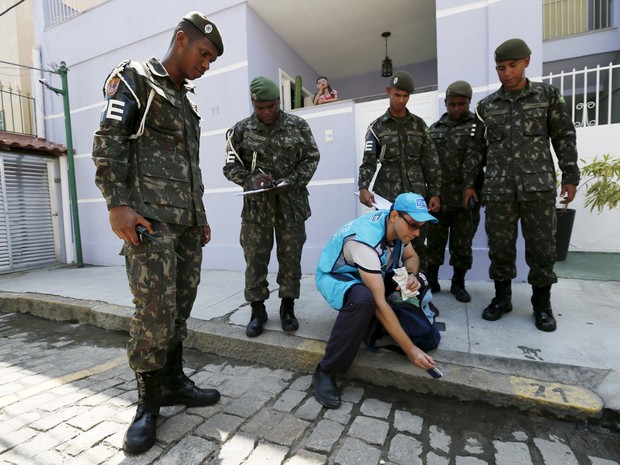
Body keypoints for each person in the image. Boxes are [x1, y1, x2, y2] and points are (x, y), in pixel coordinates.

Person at [91, 12, 224, 455]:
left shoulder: (187, 102)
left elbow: (192, 168)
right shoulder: (135, 80)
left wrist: (200, 215)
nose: (207, 64)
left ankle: (172, 382)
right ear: (181, 40)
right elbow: (109, 140)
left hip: (185, 223)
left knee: (179, 306)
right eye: (204, 54)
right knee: (153, 312)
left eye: (212, 59)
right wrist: (117, 204)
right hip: (149, 222)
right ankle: (148, 406)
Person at [462, 38, 580, 332]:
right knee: (500, 247)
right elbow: (477, 150)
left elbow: (563, 137)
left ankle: (542, 304)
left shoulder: (547, 95)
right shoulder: (487, 106)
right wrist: (470, 184)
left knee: (542, 248)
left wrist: (570, 175)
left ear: (526, 61)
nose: (506, 73)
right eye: (501, 68)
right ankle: (502, 298)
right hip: (499, 191)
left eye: (512, 66)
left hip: (537, 189)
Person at [313, 192, 439, 409]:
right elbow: (379, 302)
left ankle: (374, 328)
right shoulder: (365, 242)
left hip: (373, 273)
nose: (417, 232)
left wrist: (411, 276)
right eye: (414, 225)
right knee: (365, 300)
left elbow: (411, 258)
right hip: (337, 278)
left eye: (421, 227)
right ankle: (326, 369)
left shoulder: (399, 228)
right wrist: (410, 351)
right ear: (394, 216)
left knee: (416, 290)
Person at [223, 76, 320, 338]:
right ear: (253, 103)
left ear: (279, 102)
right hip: (257, 210)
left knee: (290, 259)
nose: (266, 112)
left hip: (292, 206)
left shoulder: (298, 125)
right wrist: (250, 179)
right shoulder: (240, 130)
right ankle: (258, 310)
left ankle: (287, 307)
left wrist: (292, 180)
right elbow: (230, 166)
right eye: (260, 107)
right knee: (255, 259)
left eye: (271, 106)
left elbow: (312, 158)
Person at [357, 71, 442, 273]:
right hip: (388, 196)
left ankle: (419, 293)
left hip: (417, 195)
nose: (401, 100)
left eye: (405, 96)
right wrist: (363, 187)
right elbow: (368, 161)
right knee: (387, 243)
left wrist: (435, 192)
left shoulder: (420, 125)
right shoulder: (376, 127)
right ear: (389, 92)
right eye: (397, 95)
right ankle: (388, 292)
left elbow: (431, 160)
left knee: (418, 243)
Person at [427, 80, 482, 303]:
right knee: (435, 243)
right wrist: (433, 193)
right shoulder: (435, 129)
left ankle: (458, 284)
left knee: (462, 245)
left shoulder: (478, 126)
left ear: (469, 102)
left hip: (466, 199)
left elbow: (479, 159)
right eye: (451, 104)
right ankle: (431, 280)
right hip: (439, 200)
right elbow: (430, 164)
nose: (456, 108)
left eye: (461, 104)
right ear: (445, 103)